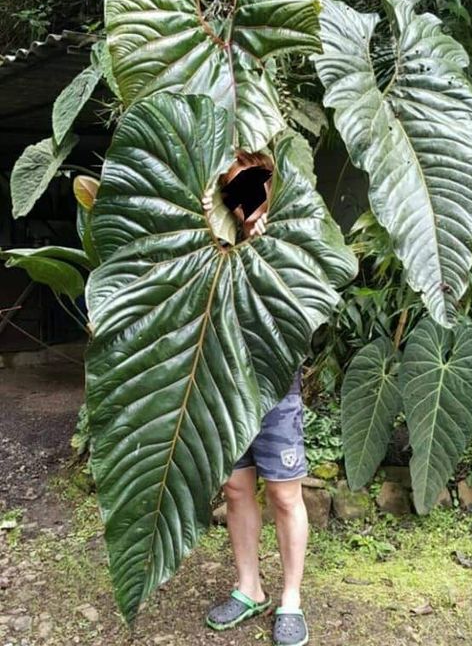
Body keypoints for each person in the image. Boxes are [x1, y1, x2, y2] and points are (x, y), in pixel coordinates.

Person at [202, 151, 310, 646]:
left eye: (251, 186)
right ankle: (250, 588)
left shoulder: (289, 228)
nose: (244, 199)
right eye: (233, 190)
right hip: (225, 378)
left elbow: (305, 301)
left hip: (274, 378)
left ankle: (291, 600)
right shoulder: (215, 234)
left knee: (285, 493)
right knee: (236, 489)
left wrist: (266, 248)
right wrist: (212, 224)